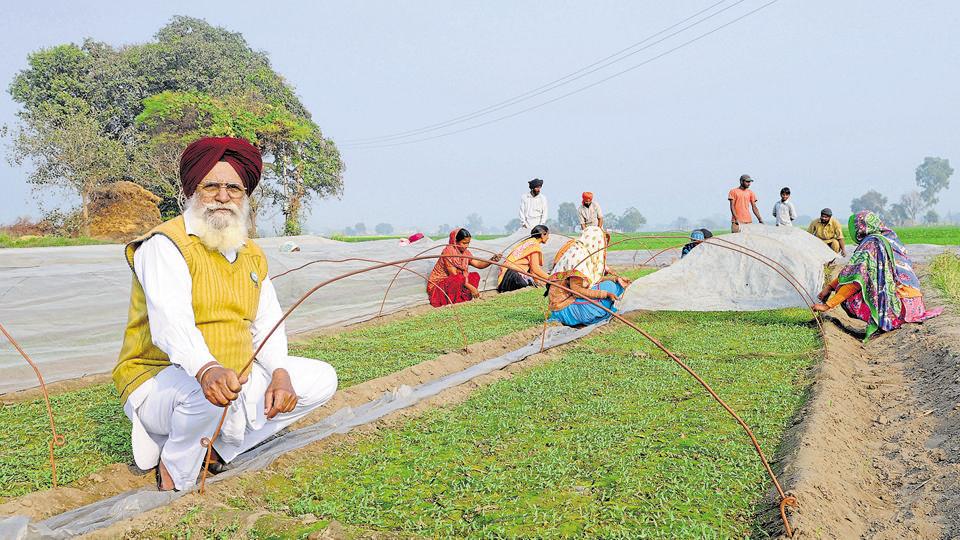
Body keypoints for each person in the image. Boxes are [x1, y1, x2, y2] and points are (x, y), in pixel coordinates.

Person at [112, 137, 338, 492]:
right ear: (191, 190)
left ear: (245, 195)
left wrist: (279, 372)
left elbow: (267, 321)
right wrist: (206, 369)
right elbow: (172, 325)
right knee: (203, 394)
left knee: (322, 378)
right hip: (161, 378)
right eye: (211, 186)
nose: (222, 196)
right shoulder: (164, 245)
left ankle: (217, 449)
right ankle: (175, 472)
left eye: (233, 188)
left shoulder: (251, 253)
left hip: (229, 375)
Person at [813, 211, 943, 340]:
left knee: (862, 286)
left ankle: (883, 319)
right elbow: (851, 272)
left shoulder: (871, 243)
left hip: (899, 307)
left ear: (861, 227)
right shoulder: (889, 239)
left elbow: (855, 279)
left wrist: (828, 305)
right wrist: (830, 287)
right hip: (914, 305)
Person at [547, 226, 631, 327]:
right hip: (565, 308)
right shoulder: (578, 256)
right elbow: (577, 291)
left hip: (570, 303)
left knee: (615, 285)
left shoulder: (583, 252)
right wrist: (605, 294)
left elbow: (591, 281)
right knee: (610, 287)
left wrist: (616, 279)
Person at [427, 228, 501, 307]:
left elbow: (479, 264)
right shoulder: (448, 252)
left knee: (474, 276)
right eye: (464, 243)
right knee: (458, 279)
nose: (466, 246)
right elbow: (454, 275)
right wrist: (471, 288)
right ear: (456, 241)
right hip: (440, 285)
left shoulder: (466, 253)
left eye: (468, 243)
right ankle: (452, 301)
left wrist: (492, 260)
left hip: (458, 281)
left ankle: (462, 300)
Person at [497, 225, 551, 293]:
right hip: (513, 276)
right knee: (527, 287)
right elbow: (535, 269)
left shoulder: (527, 242)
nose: (548, 237)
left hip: (505, 276)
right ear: (543, 235)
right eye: (548, 235)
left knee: (531, 283)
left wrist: (537, 281)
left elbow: (531, 269)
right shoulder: (534, 245)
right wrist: (551, 278)